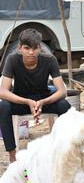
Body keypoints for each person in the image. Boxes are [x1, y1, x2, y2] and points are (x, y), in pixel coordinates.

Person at [0, 29, 71, 163]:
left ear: (40, 47)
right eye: (27, 48)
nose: (31, 52)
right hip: (21, 101)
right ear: (20, 48)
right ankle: (12, 153)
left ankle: (65, 148)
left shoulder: (49, 60)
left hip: (43, 100)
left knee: (64, 105)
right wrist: (27, 101)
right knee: (3, 106)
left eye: (35, 48)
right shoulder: (12, 59)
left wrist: (43, 102)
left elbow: (62, 91)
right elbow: (3, 91)